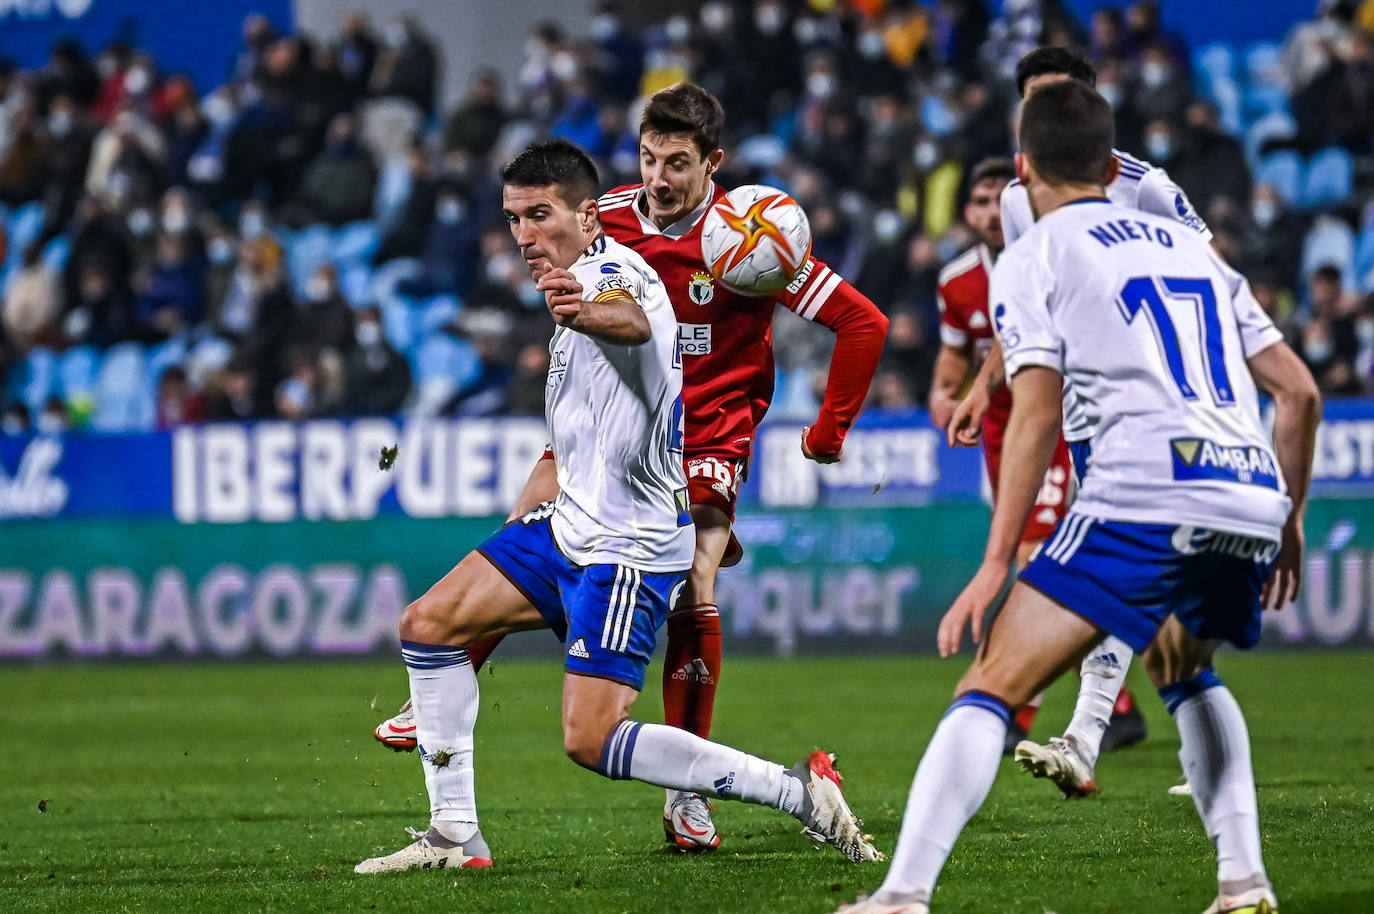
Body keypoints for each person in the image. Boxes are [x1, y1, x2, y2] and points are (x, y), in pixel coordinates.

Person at [837, 79, 1318, 914]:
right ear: (1110, 161)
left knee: (991, 684)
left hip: (1146, 483)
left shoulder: (1036, 254)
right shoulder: (1192, 246)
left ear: (1022, 168)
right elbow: (1301, 394)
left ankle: (902, 896)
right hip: (1245, 488)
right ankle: (1244, 880)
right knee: (1182, 666)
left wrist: (995, 564)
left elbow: (1036, 409)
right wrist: (1291, 516)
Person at [373, 83, 889, 852]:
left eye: (677, 162)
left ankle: (702, 797)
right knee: (445, 604)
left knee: (692, 590)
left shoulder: (746, 238)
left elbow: (856, 319)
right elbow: (587, 273)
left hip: (703, 437)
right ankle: (448, 740)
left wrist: (828, 429)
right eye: (648, 158)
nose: (659, 177)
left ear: (712, 162)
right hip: (603, 447)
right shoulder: (604, 218)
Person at [950, 46, 1210, 792]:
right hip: (1082, 412)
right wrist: (982, 381)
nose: (1047, 117)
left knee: (1127, 579)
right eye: (1035, 101)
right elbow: (1019, 310)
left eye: (1060, 99)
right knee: (1153, 592)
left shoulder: (1149, 189)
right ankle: (1131, 748)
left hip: (1157, 411)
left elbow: (1209, 279)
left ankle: (1085, 734)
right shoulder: (1015, 200)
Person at [928, 158, 1145, 760]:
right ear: (968, 212)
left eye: (1001, 198)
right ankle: (1117, 706)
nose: (991, 211)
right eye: (979, 200)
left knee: (1034, 555)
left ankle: (1013, 707)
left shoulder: (1045, 257)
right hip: (1001, 432)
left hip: (1048, 421)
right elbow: (951, 360)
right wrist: (946, 393)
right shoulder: (957, 281)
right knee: (1049, 556)